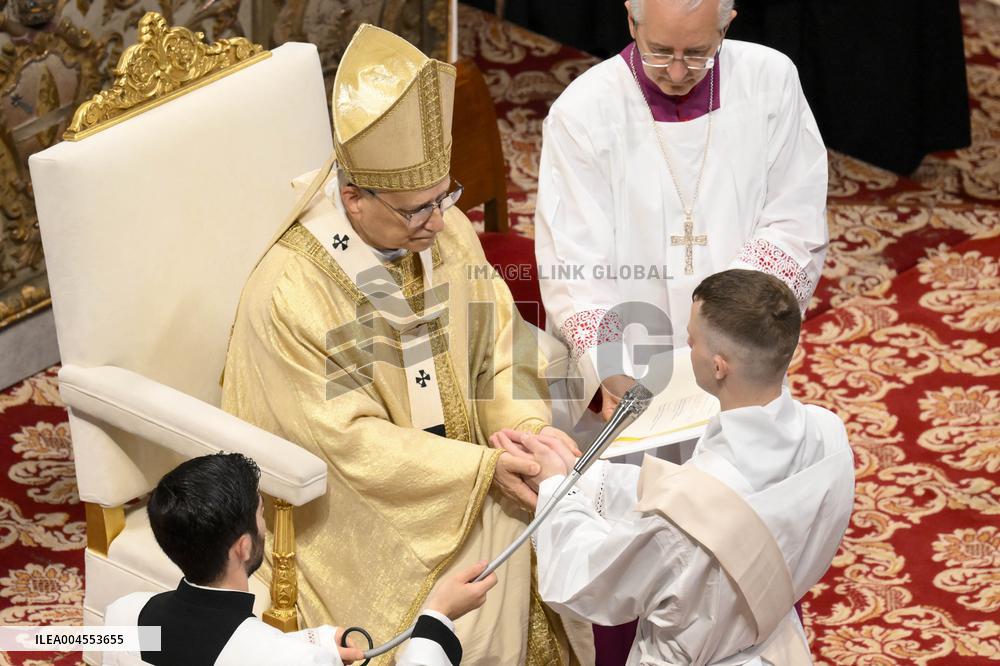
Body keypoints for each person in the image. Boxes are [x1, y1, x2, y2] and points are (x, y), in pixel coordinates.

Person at [221, 23, 591, 666]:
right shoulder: (293, 293)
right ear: (352, 197)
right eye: (416, 209)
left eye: (443, 197)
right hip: (353, 509)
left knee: (548, 490)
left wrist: (523, 431)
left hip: (461, 466)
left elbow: (499, 345)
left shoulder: (440, 235)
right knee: (512, 523)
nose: (440, 222)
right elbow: (338, 441)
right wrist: (476, 472)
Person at [497, 270, 855, 664]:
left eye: (691, 341)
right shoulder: (829, 435)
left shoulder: (683, 516)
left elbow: (588, 582)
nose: (686, 349)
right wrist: (581, 476)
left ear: (719, 366)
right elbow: (701, 493)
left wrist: (553, 491)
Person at [534, 0, 829, 423]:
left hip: (737, 352)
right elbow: (574, 263)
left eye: (696, 54)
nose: (676, 73)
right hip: (634, 345)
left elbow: (795, 219)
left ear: (726, 25)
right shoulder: (583, 113)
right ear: (631, 23)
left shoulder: (770, 81)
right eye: (659, 51)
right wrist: (612, 370)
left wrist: (729, 332)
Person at [103, 453, 492, 665]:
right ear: (241, 547)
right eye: (260, 514)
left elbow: (228, 649)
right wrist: (437, 618)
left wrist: (314, 643)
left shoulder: (122, 617)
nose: (265, 526)